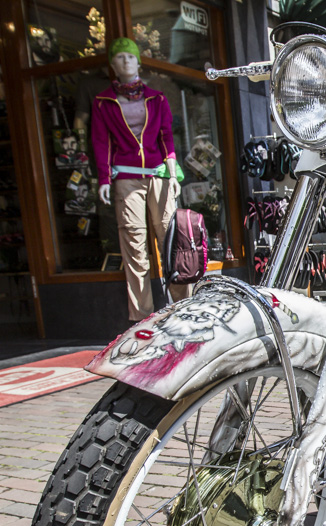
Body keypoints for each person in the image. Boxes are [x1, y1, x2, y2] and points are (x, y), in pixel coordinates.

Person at [91, 37, 189, 321]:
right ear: (112, 64)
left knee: (170, 241)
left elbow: (166, 137)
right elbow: (101, 141)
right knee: (134, 245)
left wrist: (172, 172)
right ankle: (142, 316)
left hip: (159, 174)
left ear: (138, 62)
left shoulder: (156, 98)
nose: (126, 62)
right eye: (120, 57)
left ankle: (184, 307)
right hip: (126, 177)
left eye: (130, 57)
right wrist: (104, 179)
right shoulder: (103, 102)